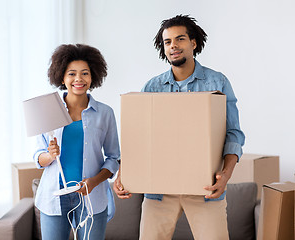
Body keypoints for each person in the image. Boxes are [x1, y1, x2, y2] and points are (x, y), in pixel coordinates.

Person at [113, 15, 245, 240]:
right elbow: (139, 136)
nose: (173, 45)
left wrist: (226, 176)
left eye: (180, 39)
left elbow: (233, 133)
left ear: (193, 43)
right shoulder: (152, 87)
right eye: (167, 42)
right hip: (159, 193)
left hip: (206, 189)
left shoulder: (217, 82)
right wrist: (122, 173)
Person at [34, 44, 120, 240]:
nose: (78, 79)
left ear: (93, 76)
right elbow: (38, 157)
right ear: (62, 77)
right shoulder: (48, 110)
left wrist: (95, 182)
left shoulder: (105, 113)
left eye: (85, 73)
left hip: (91, 197)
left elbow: (114, 157)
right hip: (54, 197)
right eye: (72, 74)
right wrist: (50, 155)